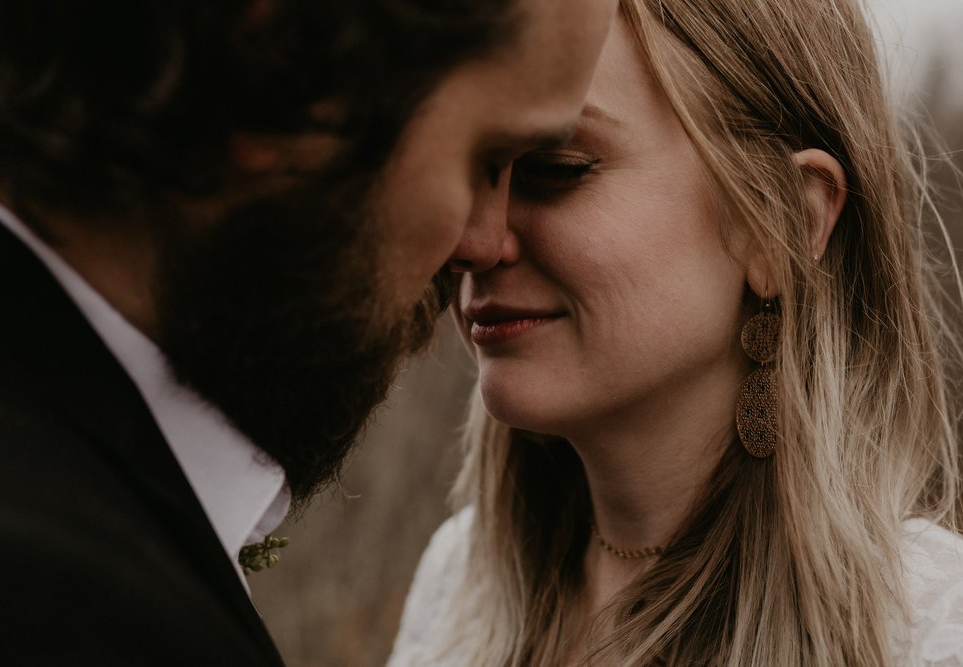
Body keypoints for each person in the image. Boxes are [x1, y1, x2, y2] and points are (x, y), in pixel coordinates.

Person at [0, 0, 615, 664]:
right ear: (283, 62)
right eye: (488, 157)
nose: (484, 241)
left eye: (550, 167)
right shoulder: (45, 600)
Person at [389, 0, 963, 665]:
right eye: (476, 168)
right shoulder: (454, 584)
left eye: (558, 168)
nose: (473, 240)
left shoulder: (927, 631)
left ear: (784, 223)